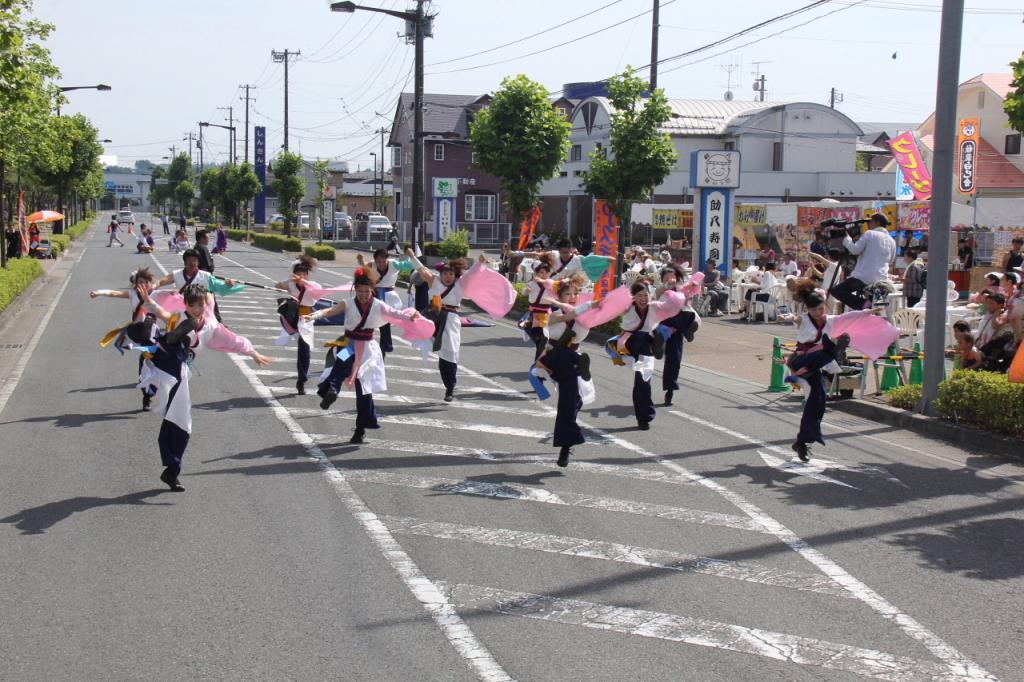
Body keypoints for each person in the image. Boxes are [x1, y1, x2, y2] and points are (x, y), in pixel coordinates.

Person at [137, 283, 272, 491]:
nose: (197, 309)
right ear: (186, 305)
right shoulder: (179, 318)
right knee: (181, 420)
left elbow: (233, 340)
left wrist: (253, 353)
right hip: (169, 370)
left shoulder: (210, 325)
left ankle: (171, 468)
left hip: (183, 374)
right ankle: (172, 469)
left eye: (200, 305)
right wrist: (150, 303)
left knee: (177, 418)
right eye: (193, 305)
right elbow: (163, 313)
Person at [308, 268, 423, 443]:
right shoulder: (348, 303)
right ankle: (332, 390)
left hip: (368, 350)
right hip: (348, 344)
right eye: (360, 291)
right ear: (355, 289)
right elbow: (329, 311)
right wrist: (315, 315)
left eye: (366, 291)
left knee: (364, 390)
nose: (363, 295)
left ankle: (360, 429)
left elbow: (395, 313)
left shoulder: (378, 305)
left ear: (372, 290)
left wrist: (411, 316)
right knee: (340, 362)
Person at [784, 291, 852, 462]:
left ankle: (802, 442)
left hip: (816, 366)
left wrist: (868, 313)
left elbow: (850, 316)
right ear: (808, 309)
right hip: (801, 360)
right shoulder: (805, 319)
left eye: (820, 309)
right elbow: (795, 318)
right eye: (814, 310)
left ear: (825, 306)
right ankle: (835, 353)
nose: (818, 312)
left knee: (819, 401)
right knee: (829, 349)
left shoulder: (830, 320)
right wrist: (789, 317)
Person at [535, 275, 595, 467]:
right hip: (555, 359)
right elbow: (570, 315)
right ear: (559, 295)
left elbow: (588, 318)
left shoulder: (585, 316)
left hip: (572, 360)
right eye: (567, 293)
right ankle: (565, 447)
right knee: (569, 402)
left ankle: (566, 444)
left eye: (575, 293)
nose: (571, 296)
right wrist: (590, 306)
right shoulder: (553, 313)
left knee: (574, 403)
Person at [90, 266, 162, 411]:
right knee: (145, 366)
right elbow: (114, 293)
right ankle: (146, 396)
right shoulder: (132, 294)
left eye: (145, 282)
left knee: (157, 366)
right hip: (139, 334)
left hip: (154, 334)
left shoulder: (156, 294)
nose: (142, 285)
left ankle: (156, 389)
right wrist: (99, 292)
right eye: (139, 282)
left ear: (150, 283)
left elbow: (175, 296)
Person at [407, 252, 473, 401]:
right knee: (421, 339)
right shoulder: (434, 281)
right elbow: (422, 269)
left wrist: (481, 264)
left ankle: (450, 386)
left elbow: (473, 276)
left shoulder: (460, 284)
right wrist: (412, 256)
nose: (448, 276)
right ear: (441, 273)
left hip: (450, 320)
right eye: (445, 273)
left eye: (451, 273)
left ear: (455, 274)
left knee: (449, 354)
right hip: (432, 318)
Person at [274, 255, 321, 395]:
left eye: (303, 274)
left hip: (306, 320)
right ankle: (302, 378)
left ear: (307, 275)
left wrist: (303, 282)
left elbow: (318, 289)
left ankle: (301, 379)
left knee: (304, 349)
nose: (301, 277)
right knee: (295, 343)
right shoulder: (291, 284)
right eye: (298, 274)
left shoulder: (314, 286)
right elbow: (277, 286)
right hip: (292, 318)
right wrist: (289, 281)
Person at [831, 214, 896, 311]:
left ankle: (864, 305)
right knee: (878, 308)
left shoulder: (870, 234)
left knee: (836, 291)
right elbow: (891, 260)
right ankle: (869, 308)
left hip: (863, 278)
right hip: (881, 280)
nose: (868, 224)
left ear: (877, 222)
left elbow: (854, 250)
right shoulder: (891, 240)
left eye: (870, 221)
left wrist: (846, 238)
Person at [656, 265, 698, 406]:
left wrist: (692, 287)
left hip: (677, 327)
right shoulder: (659, 290)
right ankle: (662, 340)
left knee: (674, 360)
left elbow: (688, 301)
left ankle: (670, 390)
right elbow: (655, 302)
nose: (670, 280)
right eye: (666, 278)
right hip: (664, 324)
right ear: (662, 280)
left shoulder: (680, 290)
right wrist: (665, 288)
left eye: (672, 278)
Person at [357, 248, 403, 356]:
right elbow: (364, 269)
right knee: (366, 319)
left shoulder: (394, 264)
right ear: (375, 259)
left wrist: (412, 257)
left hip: (389, 296)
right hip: (374, 294)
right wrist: (360, 260)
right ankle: (363, 346)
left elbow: (408, 265)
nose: (381, 264)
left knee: (384, 321)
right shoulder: (371, 265)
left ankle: (384, 347)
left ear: (387, 259)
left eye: (383, 261)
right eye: (378, 261)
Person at [511, 238, 584, 281]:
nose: (565, 255)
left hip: (566, 290)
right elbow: (536, 255)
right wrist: (516, 253)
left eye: (567, 252)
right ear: (559, 251)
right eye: (562, 252)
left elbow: (578, 277)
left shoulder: (578, 260)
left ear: (571, 250)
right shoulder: (554, 255)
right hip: (550, 285)